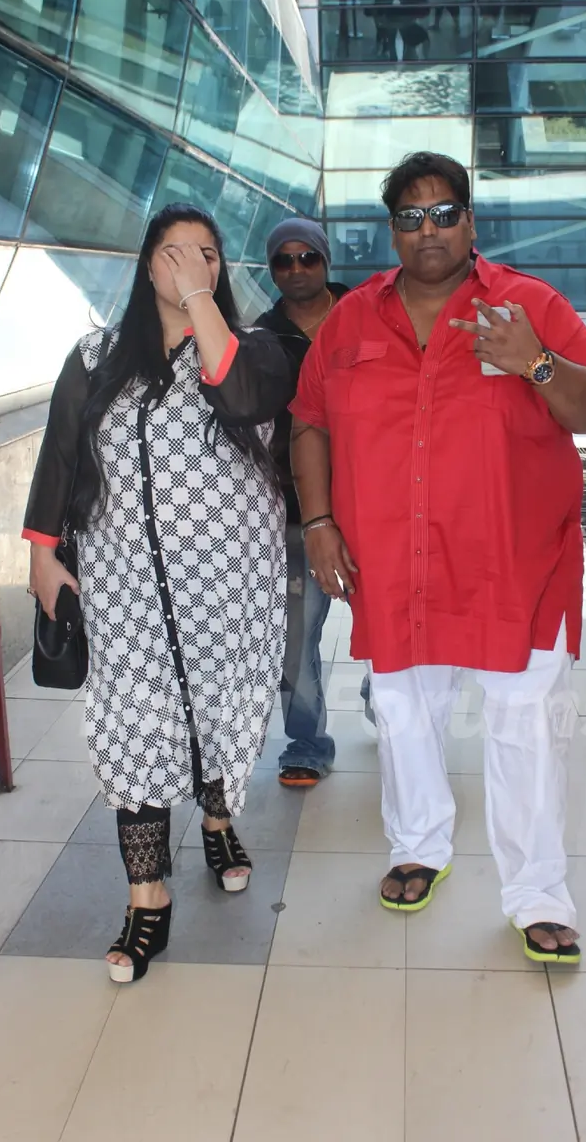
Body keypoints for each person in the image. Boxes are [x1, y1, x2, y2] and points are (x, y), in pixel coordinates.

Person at [289, 152, 586, 962]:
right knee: (403, 716)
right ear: (391, 230)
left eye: (443, 214)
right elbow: (309, 422)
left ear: (470, 222)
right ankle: (417, 847)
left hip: (515, 567)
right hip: (397, 568)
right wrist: (319, 520)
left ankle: (538, 893)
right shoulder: (351, 320)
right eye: (409, 216)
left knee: (525, 731)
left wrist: (533, 362)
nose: (427, 230)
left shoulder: (528, 305)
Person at [23, 203, 296, 984]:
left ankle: (216, 820)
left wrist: (201, 305)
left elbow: (241, 398)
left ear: (219, 271)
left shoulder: (260, 349)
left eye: (204, 254)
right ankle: (148, 900)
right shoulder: (97, 356)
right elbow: (62, 452)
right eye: (170, 252)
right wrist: (44, 553)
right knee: (135, 729)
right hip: (123, 587)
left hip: (228, 587)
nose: (185, 264)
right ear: (145, 266)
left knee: (213, 711)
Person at [255, 220, 349, 788]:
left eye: (307, 258)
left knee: (398, 626)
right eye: (283, 261)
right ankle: (307, 742)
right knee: (298, 632)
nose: (296, 270)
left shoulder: (367, 315)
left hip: (378, 503)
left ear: (326, 260)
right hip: (297, 514)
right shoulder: (260, 339)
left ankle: (388, 700)